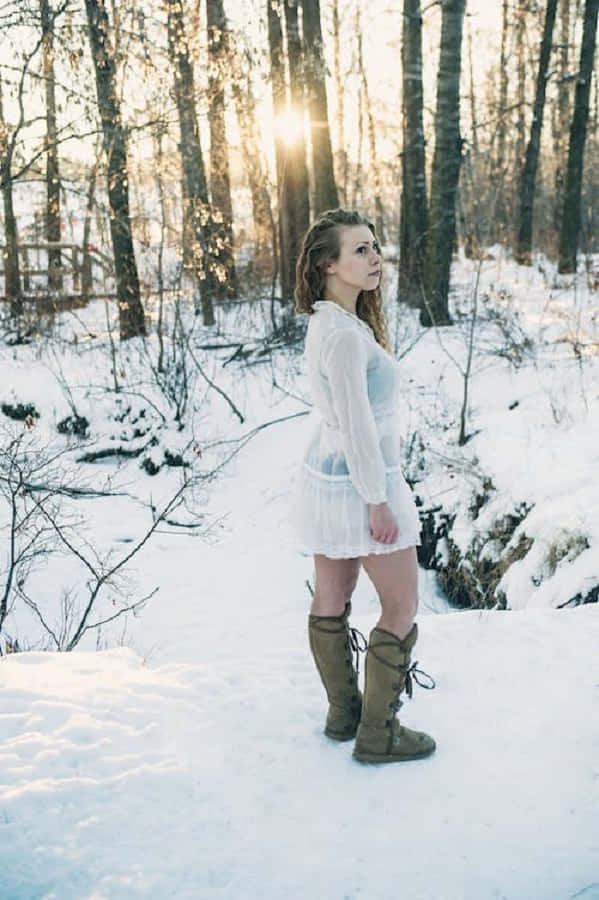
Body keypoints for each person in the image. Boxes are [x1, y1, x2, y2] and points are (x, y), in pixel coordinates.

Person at [292, 208, 436, 764]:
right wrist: (377, 501)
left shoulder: (328, 323)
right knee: (401, 604)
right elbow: (357, 425)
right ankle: (379, 733)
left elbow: (342, 420)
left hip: (328, 475)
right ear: (328, 263)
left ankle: (344, 714)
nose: (375, 257)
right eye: (359, 250)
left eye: (374, 247)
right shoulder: (347, 338)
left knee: (332, 596)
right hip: (362, 478)